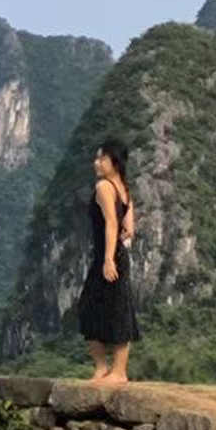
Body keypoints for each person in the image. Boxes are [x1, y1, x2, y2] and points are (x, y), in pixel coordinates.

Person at [76, 139, 140, 382]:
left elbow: (113, 224)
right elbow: (130, 229)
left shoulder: (104, 186)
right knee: (116, 308)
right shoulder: (124, 188)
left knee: (93, 308)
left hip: (108, 257)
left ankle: (115, 370)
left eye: (101, 158)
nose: (97, 163)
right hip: (118, 256)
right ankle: (108, 369)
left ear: (115, 161)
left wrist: (108, 260)